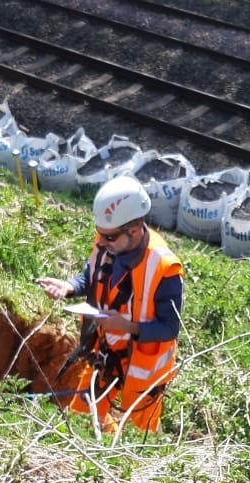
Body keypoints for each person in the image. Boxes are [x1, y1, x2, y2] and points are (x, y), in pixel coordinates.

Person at [37, 175, 184, 433]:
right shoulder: (108, 243)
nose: (102, 242)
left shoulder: (165, 267)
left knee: (142, 437)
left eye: (110, 237)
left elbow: (170, 328)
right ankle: (102, 441)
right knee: (83, 419)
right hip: (107, 354)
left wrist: (128, 327)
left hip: (144, 370)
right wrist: (69, 287)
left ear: (135, 229)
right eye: (101, 235)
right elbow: (91, 277)